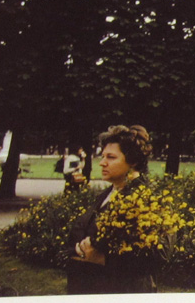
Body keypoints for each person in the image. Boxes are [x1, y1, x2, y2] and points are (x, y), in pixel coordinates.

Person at [66, 125, 158, 294]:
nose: (102, 163)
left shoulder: (147, 199)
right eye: (103, 156)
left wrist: (104, 259)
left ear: (133, 161)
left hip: (121, 295)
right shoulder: (107, 194)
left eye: (111, 157)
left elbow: (157, 257)